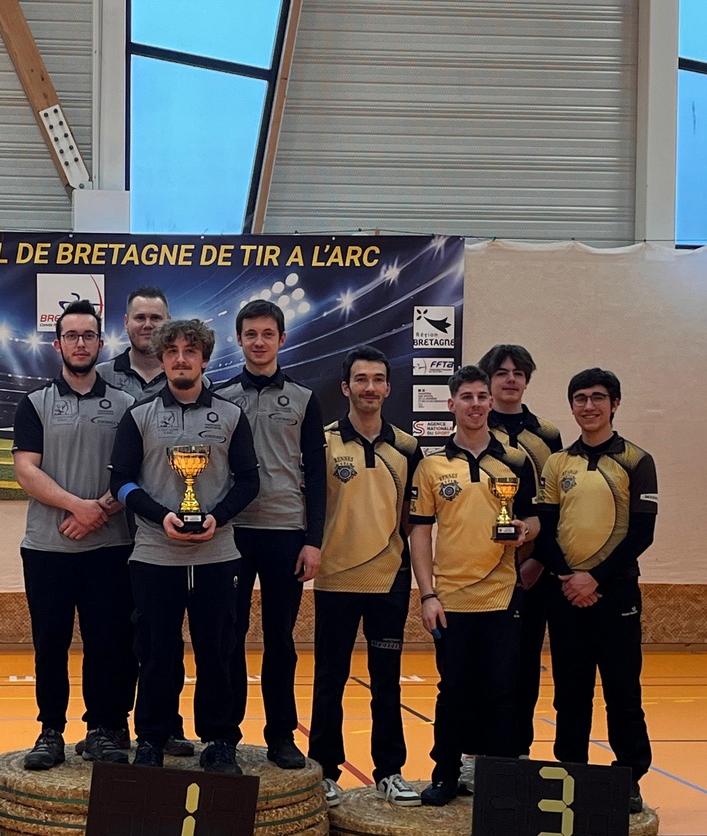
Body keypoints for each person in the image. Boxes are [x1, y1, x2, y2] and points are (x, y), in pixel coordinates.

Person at [110, 318, 259, 771]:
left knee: (218, 651)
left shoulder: (231, 415)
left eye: (189, 351)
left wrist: (217, 517)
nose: (180, 359)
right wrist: (162, 517)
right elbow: (121, 482)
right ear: (161, 359)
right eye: (172, 351)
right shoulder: (139, 415)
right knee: (156, 652)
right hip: (155, 555)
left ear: (204, 359)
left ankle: (220, 739)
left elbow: (249, 481)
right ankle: (152, 739)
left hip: (218, 554)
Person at [12, 300, 137, 768]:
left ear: (101, 343)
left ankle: (102, 729)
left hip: (110, 547)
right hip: (47, 548)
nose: (80, 343)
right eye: (71, 335)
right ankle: (50, 731)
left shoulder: (126, 405)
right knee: (51, 645)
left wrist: (98, 511)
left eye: (88, 335)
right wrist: (77, 507)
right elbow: (26, 471)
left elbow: (134, 471)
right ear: (57, 343)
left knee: (107, 644)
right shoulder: (35, 403)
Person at [409, 365, 539, 807]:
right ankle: (445, 775)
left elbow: (535, 518)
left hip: (502, 595)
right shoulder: (431, 466)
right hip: (450, 599)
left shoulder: (515, 461)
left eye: (482, 396)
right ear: (452, 404)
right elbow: (420, 531)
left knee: (503, 692)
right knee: (453, 692)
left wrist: (524, 529)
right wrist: (427, 594)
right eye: (467, 397)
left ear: (491, 402)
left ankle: (500, 779)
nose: (476, 404)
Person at [534, 368, 658, 813]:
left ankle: (629, 776)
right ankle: (571, 773)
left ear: (615, 404)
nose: (589, 406)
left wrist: (596, 578)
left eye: (598, 398)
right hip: (565, 594)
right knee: (570, 693)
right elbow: (545, 531)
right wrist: (569, 578)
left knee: (622, 691)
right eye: (580, 398)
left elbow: (642, 534)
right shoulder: (557, 463)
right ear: (571, 406)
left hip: (616, 594)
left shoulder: (637, 460)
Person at [307, 346, 421, 806]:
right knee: (329, 680)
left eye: (377, 379)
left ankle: (389, 772)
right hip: (335, 578)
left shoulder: (407, 447)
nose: (369, 387)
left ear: (388, 388)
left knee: (386, 682)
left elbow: (413, 518)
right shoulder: (324, 442)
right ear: (345, 387)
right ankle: (325, 770)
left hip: (389, 580)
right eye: (361, 379)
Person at [214, 299, 325, 768]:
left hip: (285, 532)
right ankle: (225, 735)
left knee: (280, 638)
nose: (259, 342)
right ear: (239, 339)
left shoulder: (303, 397)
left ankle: (282, 735)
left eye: (267, 334)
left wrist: (313, 540)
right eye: (250, 334)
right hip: (232, 532)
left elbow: (316, 474)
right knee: (229, 635)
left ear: (282, 338)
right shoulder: (220, 396)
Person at [94, 284, 200, 756]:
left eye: (157, 318)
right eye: (140, 317)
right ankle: (111, 726)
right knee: (114, 635)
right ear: (126, 323)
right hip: (110, 533)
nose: (148, 325)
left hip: (165, 535)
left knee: (163, 639)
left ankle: (166, 725)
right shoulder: (101, 377)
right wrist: (110, 501)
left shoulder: (189, 379)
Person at [481, 342, 563, 761]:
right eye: (502, 372)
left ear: (527, 380)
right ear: (489, 380)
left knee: (526, 665)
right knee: (484, 666)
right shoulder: (475, 427)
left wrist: (538, 561)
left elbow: (554, 506)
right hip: (482, 573)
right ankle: (478, 755)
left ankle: (519, 753)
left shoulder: (547, 435)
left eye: (518, 373)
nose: (510, 379)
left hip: (533, 573)